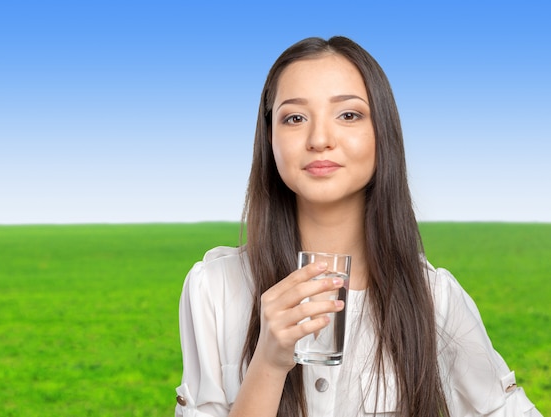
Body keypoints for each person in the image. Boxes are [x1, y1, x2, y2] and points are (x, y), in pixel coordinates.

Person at [175, 36, 543, 417]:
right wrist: (268, 362)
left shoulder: (436, 300)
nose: (320, 140)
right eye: (295, 118)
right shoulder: (213, 289)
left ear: (382, 132)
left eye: (348, 115)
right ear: (269, 139)